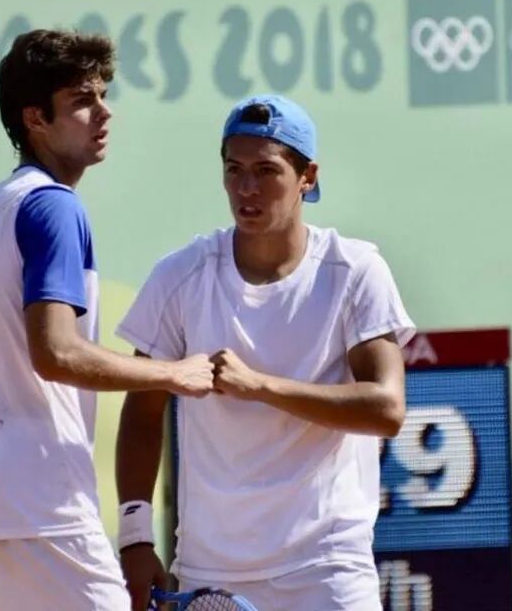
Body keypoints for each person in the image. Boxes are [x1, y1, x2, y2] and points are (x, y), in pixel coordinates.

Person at [0, 29, 215, 611]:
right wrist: (172, 374)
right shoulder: (53, 206)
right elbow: (57, 352)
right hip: (43, 511)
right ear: (36, 119)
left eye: (102, 94)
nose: (104, 112)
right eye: (82, 100)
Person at [115, 94, 416, 610]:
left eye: (265, 171)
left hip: (328, 566)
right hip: (211, 571)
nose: (246, 189)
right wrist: (135, 539)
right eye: (233, 170)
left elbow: (386, 409)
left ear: (308, 176)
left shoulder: (356, 271)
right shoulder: (180, 276)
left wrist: (261, 387)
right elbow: (143, 414)